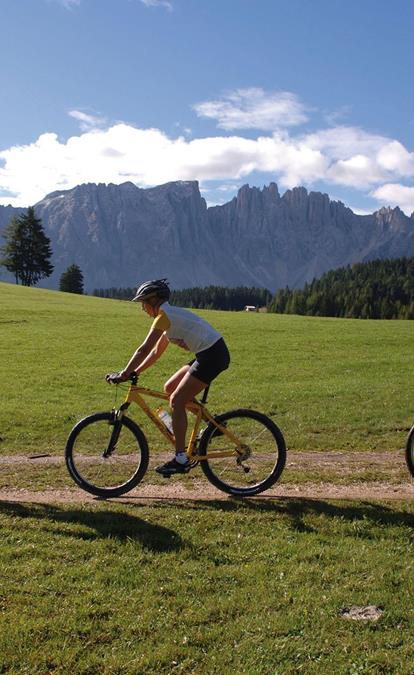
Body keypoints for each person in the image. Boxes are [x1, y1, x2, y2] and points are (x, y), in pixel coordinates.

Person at [105, 279, 230, 475]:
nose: (143, 308)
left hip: (212, 356)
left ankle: (180, 458)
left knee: (177, 400)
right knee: (170, 387)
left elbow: (144, 349)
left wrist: (124, 373)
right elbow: (155, 352)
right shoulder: (168, 316)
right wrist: (136, 372)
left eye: (143, 303)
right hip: (208, 354)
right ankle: (215, 426)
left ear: (153, 301)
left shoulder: (164, 316)